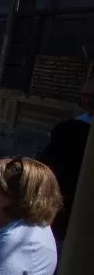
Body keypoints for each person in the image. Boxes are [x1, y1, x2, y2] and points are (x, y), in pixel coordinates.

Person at [39, 76, 93, 242]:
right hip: (64, 197)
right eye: (85, 95)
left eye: (93, 96)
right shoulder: (70, 127)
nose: (88, 100)